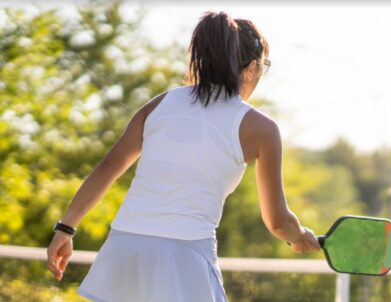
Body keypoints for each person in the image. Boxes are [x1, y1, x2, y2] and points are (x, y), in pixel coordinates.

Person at [46, 12, 320, 301]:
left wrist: (65, 229)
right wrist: (299, 237)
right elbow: (277, 221)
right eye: (264, 67)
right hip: (185, 256)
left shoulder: (160, 103)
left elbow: (108, 166)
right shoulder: (262, 128)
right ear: (252, 67)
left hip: (125, 248)